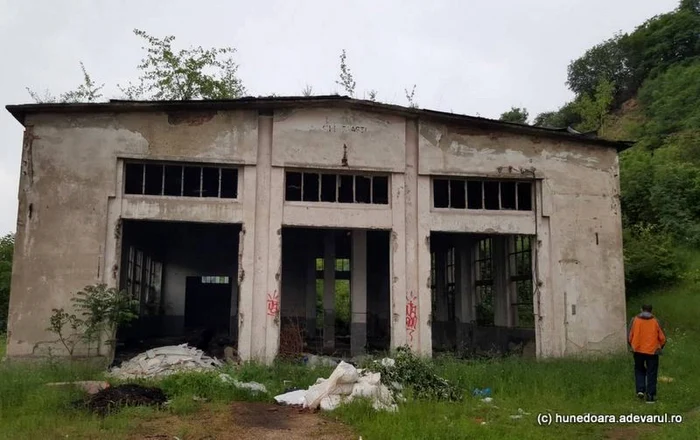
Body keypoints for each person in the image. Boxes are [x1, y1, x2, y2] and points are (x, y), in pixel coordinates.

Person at [628, 304, 666, 403]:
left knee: (639, 369)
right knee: (651, 373)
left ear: (641, 309)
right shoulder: (655, 321)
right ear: (651, 311)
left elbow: (629, 336)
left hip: (638, 350)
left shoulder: (634, 320)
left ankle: (640, 390)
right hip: (652, 351)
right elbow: (662, 338)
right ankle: (650, 396)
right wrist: (660, 347)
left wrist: (632, 346)